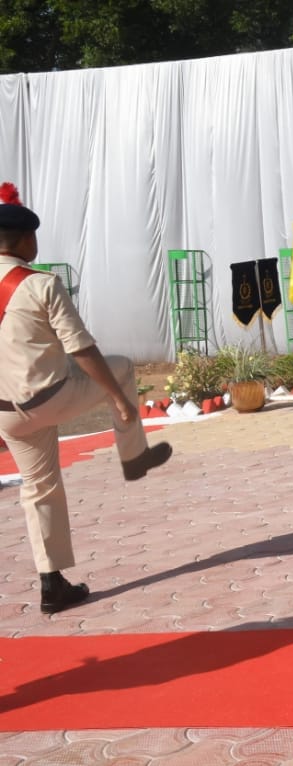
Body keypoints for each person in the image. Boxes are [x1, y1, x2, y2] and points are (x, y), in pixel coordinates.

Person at [0, 182, 172, 614]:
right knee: (121, 368)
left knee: (40, 492)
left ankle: (51, 584)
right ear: (24, 240)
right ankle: (133, 456)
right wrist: (119, 399)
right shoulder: (42, 284)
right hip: (50, 397)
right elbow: (81, 347)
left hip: (6, 413)